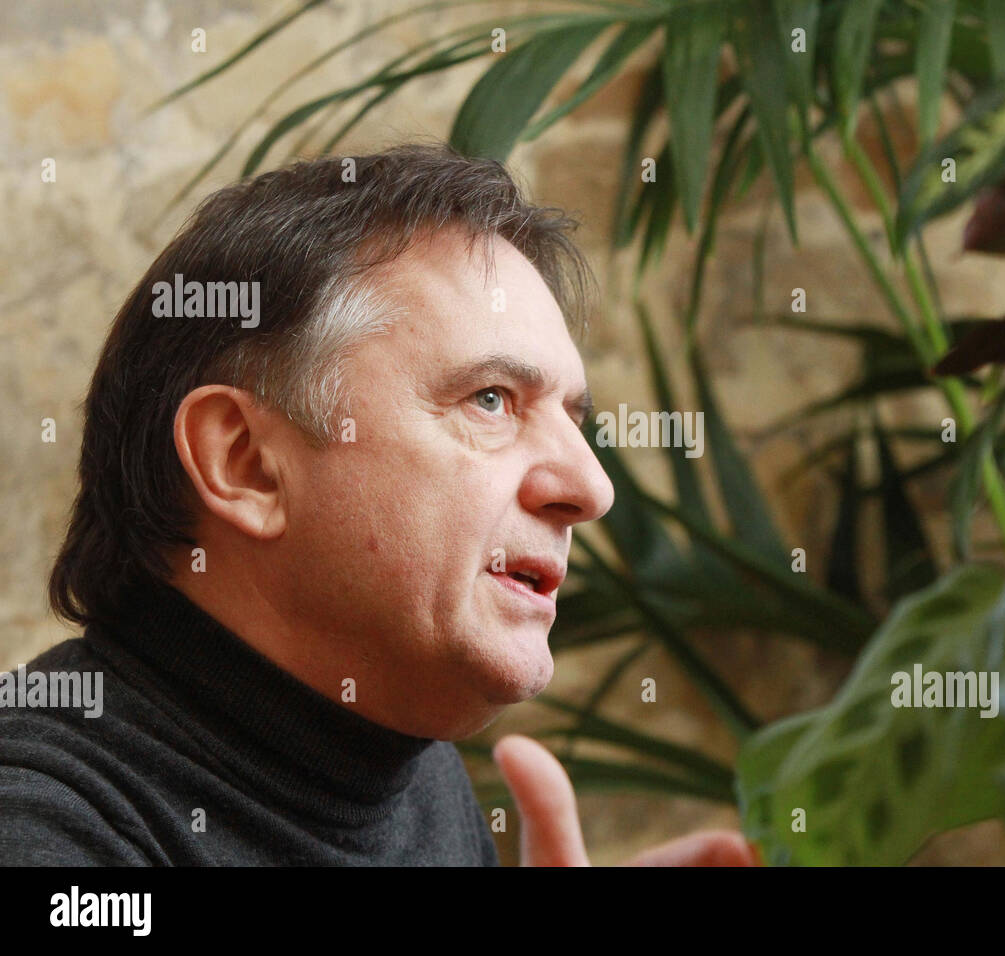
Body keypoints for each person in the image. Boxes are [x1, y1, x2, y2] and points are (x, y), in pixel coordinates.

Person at [0, 143, 754, 867]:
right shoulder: (39, 823)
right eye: (491, 399)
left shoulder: (416, 772)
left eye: (573, 419)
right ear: (246, 464)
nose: (591, 489)